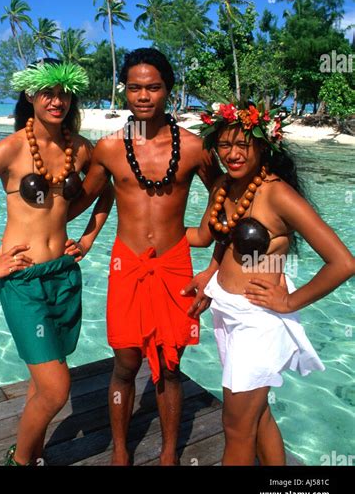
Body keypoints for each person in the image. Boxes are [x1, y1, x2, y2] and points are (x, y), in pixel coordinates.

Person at [0, 59, 114, 466]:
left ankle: (31, 454)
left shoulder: (78, 147)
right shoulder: (11, 148)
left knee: (44, 384)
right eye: (47, 93)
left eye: (64, 93)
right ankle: (19, 463)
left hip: (61, 274)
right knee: (57, 388)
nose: (57, 101)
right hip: (23, 281)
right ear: (30, 95)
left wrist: (89, 237)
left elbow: (105, 190)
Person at [64, 48, 222, 465]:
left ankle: (169, 452)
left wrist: (207, 247)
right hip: (127, 263)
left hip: (174, 265)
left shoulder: (193, 148)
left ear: (168, 90)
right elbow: (82, 200)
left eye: (153, 87)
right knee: (126, 361)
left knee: (170, 363)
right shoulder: (110, 148)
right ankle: (120, 450)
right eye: (134, 87)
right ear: (126, 91)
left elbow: (227, 198)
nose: (143, 96)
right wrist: (51, 190)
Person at [184, 101, 355, 465]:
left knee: (235, 427)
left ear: (262, 145)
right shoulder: (223, 186)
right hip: (226, 311)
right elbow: (217, 238)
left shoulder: (277, 194)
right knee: (257, 416)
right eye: (224, 146)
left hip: (258, 321)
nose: (232, 154)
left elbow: (343, 262)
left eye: (242, 145)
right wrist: (207, 273)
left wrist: (290, 302)